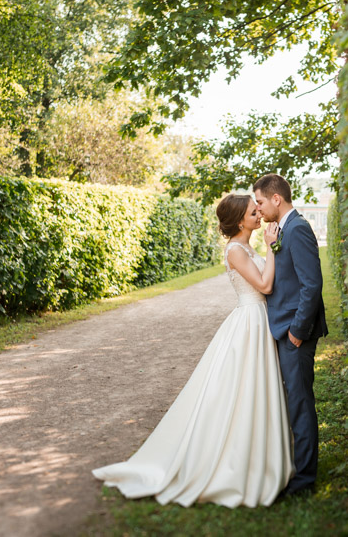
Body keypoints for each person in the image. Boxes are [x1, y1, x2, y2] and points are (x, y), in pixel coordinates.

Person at [92, 194, 294, 508]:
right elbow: (265, 287)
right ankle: (232, 464)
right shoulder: (236, 251)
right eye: (253, 212)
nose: (259, 214)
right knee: (240, 388)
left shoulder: (247, 247)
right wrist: (272, 247)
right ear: (239, 221)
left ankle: (259, 455)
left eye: (258, 210)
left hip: (259, 321)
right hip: (249, 322)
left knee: (254, 388)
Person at [253, 173, 328, 496]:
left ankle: (304, 481)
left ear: (276, 199)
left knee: (299, 403)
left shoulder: (297, 229)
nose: (258, 209)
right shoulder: (284, 230)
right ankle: (297, 469)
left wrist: (297, 331)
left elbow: (312, 284)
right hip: (285, 328)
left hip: (295, 333)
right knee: (293, 401)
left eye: (259, 202)